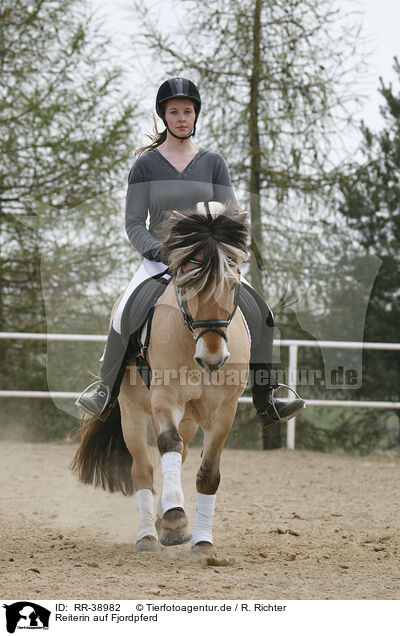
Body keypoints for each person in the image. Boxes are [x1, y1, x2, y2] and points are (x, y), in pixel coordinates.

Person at [75, 77, 305, 428]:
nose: (181, 117)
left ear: (195, 115)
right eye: (174, 112)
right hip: (160, 263)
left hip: (208, 263)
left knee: (263, 312)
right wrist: (157, 251)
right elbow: (134, 222)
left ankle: (268, 395)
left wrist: (223, 251)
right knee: (123, 313)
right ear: (164, 116)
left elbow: (231, 216)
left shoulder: (213, 162)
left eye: (187, 111)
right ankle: (105, 390)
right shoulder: (146, 166)